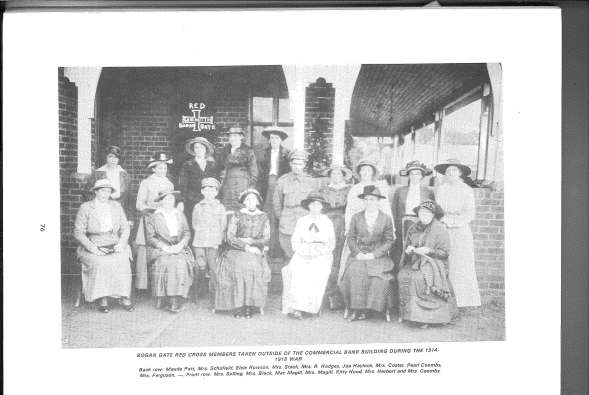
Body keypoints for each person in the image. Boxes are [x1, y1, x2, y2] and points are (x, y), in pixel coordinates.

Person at [73, 179, 134, 313]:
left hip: (114, 242)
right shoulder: (86, 207)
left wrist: (122, 243)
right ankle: (102, 297)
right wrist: (92, 248)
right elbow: (78, 232)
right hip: (94, 243)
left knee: (122, 261)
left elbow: (125, 228)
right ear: (96, 191)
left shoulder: (116, 206)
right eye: (102, 190)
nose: (106, 194)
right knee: (100, 263)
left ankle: (123, 296)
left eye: (108, 191)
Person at [341, 185, 395, 321]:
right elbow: (351, 237)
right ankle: (356, 309)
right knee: (355, 272)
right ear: (363, 201)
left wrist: (375, 254)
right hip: (359, 253)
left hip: (378, 255)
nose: (369, 202)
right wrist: (357, 252)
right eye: (366, 199)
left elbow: (389, 241)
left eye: (372, 199)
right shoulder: (356, 217)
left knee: (378, 276)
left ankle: (372, 308)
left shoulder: (386, 218)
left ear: (378, 201)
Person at [398, 200, 456, 328]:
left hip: (435, 262)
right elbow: (409, 246)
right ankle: (408, 313)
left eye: (427, 213)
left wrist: (429, 250)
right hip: (416, 261)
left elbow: (445, 253)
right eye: (421, 212)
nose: (423, 215)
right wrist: (409, 250)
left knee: (419, 278)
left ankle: (428, 318)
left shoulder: (440, 228)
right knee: (403, 275)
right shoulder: (413, 228)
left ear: (433, 214)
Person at [215, 189, 271, 318]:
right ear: (244, 202)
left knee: (253, 267)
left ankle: (249, 305)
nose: (251, 202)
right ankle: (238, 305)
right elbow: (230, 236)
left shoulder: (264, 216)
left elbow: (266, 237)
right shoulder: (237, 215)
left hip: (256, 249)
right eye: (248, 199)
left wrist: (252, 242)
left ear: (258, 201)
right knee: (240, 266)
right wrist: (245, 246)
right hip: (236, 249)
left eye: (253, 199)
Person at [434, 159, 481, 308]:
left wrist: (454, 222)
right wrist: (443, 220)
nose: (451, 173)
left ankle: (461, 300)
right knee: (444, 261)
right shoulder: (442, 189)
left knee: (460, 264)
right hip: (444, 228)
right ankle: (444, 297)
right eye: (448, 171)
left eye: (454, 170)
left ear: (460, 173)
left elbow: (470, 214)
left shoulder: (466, 189)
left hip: (460, 230)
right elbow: (438, 210)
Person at [281, 192, 335, 319]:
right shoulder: (302, 221)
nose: (315, 207)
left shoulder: (327, 222)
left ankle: (309, 308)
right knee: (295, 271)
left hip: (321, 253)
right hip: (303, 252)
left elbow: (331, 243)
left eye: (318, 204)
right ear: (308, 206)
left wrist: (319, 252)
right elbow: (295, 240)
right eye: (312, 204)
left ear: (322, 207)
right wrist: (303, 251)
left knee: (315, 272)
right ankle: (296, 307)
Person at [339, 159, 393, 281]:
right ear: (359, 172)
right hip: (358, 229)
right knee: (355, 263)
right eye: (363, 170)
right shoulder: (354, 189)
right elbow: (349, 211)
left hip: (376, 230)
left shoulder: (380, 188)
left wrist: (391, 228)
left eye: (368, 170)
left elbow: (386, 209)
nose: (365, 172)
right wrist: (349, 228)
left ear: (372, 172)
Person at [146, 190, 195, 313]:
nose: (169, 202)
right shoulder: (154, 217)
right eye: (166, 199)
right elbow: (150, 237)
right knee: (165, 262)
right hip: (161, 248)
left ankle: (175, 299)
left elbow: (187, 232)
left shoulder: (179, 215)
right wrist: (165, 247)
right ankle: (164, 297)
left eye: (171, 200)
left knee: (181, 263)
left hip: (179, 246)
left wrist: (181, 245)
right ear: (161, 201)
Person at [134, 152, 175, 291]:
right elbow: (139, 204)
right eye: (159, 168)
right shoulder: (146, 183)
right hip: (148, 219)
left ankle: (159, 286)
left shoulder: (169, 184)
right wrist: (153, 210)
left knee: (162, 247)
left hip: (163, 221)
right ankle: (142, 286)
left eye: (164, 168)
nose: (162, 171)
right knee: (144, 250)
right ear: (153, 169)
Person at [273, 150, 320, 260]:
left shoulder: (311, 181)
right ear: (290, 164)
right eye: (294, 164)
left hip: (305, 221)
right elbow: (277, 203)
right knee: (289, 254)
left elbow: (316, 203)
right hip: (287, 223)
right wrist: (283, 218)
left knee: (305, 253)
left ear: (304, 165)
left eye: (300, 164)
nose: (297, 167)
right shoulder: (283, 180)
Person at [319, 164, 353, 310]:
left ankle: (337, 295)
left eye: (339, 174)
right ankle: (323, 293)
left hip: (343, 223)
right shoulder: (324, 190)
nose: (336, 176)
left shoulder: (349, 190)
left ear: (343, 176)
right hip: (327, 222)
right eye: (333, 174)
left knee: (339, 257)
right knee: (326, 255)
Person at [191, 177, 227, 306]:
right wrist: (202, 233)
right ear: (202, 192)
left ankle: (214, 294)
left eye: (212, 191)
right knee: (200, 266)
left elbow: (223, 226)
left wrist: (216, 240)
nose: (209, 193)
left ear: (216, 193)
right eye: (206, 190)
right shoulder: (198, 207)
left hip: (213, 242)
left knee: (213, 267)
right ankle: (197, 293)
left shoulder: (220, 207)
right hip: (199, 241)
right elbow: (194, 223)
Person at [256, 126, 291, 257]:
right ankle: (265, 248)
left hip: (280, 184)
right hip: (267, 185)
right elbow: (260, 173)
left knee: (278, 216)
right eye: (271, 138)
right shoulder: (264, 153)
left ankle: (277, 250)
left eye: (277, 138)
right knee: (267, 215)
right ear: (269, 140)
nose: (274, 140)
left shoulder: (286, 154)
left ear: (281, 140)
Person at [391, 160, 435, 261]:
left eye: (417, 174)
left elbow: (432, 211)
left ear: (421, 176)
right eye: (412, 174)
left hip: (421, 223)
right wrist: (393, 227)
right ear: (408, 176)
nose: (415, 176)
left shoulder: (428, 192)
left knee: (417, 247)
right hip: (403, 224)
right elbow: (394, 211)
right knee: (401, 248)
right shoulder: (400, 191)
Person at [218, 126, 258, 212]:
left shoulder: (248, 151)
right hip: (227, 186)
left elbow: (254, 172)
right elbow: (220, 169)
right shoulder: (225, 151)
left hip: (243, 185)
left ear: (241, 137)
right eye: (230, 136)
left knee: (242, 209)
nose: (232, 138)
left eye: (235, 136)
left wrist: (250, 189)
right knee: (227, 209)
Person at [177, 137, 218, 221]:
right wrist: (181, 201)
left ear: (206, 149)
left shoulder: (212, 165)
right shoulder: (187, 165)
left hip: (208, 200)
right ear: (193, 149)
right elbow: (182, 184)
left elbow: (215, 183)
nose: (199, 150)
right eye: (196, 147)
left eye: (201, 147)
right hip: (191, 201)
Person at [84, 145, 132, 215]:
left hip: (119, 212)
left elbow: (129, 198)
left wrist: (129, 218)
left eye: (116, 157)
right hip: (101, 211)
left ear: (119, 159)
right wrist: (98, 205)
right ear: (106, 157)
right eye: (110, 156)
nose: (113, 160)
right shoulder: (98, 173)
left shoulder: (125, 175)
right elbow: (87, 193)